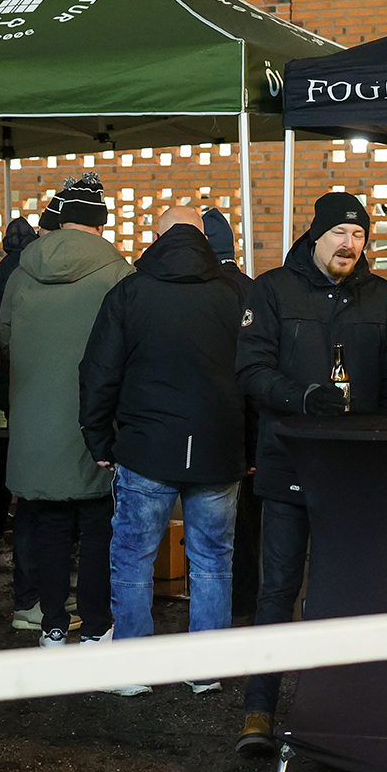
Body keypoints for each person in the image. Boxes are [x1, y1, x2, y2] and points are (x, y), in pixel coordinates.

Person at [234, 191, 387, 754]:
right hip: (289, 461)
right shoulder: (272, 289)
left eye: (358, 235)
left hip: (356, 469)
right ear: (315, 235)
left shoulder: (380, 295)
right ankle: (259, 709)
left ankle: (338, 708)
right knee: (277, 590)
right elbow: (251, 370)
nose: (349, 244)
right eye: (339, 233)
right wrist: (303, 397)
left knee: (348, 591)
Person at [81, 207, 246, 695]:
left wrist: (98, 438)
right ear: (203, 237)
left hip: (145, 448)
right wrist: (251, 445)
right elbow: (257, 374)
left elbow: (98, 372)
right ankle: (206, 669)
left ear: (156, 238)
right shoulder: (238, 293)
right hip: (219, 447)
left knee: (133, 558)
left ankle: (134, 670)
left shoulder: (129, 292)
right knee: (212, 560)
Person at [0, 174, 131, 649]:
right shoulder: (119, 273)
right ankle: (95, 626)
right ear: (101, 223)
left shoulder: (20, 272)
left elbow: (5, 339)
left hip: (35, 426)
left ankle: (53, 625)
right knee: (97, 528)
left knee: (50, 526)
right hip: (96, 424)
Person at [203, 206, 260, 623]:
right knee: (250, 527)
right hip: (252, 425)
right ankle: (246, 606)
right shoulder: (255, 290)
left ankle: (220, 610)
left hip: (212, 426)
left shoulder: (202, 291)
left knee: (214, 532)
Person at [0, 216, 45, 619]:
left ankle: (28, 597)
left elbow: (2, 334)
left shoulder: (8, 270)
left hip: (15, 388)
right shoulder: (31, 270)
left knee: (19, 479)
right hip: (43, 392)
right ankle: (38, 595)